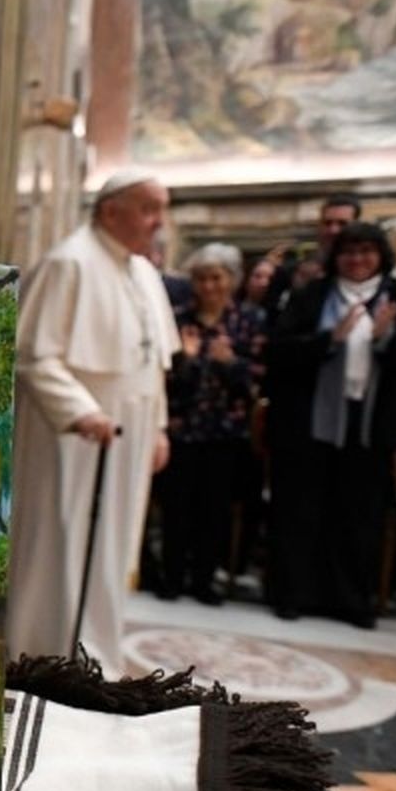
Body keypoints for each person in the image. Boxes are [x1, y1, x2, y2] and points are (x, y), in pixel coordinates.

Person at [7, 169, 178, 678]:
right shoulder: (68, 262)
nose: (159, 222)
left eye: (162, 209)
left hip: (130, 433)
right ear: (110, 211)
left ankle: (96, 651)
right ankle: (43, 651)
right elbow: (34, 355)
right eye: (149, 209)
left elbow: (154, 364)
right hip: (73, 436)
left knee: (114, 546)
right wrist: (80, 411)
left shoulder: (143, 272)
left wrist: (159, 427)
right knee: (65, 541)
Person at [264, 222, 396, 628]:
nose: (357, 260)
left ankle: (351, 599)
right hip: (310, 422)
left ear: (381, 256)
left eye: (366, 252)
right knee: (301, 510)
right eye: (348, 252)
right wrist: (329, 340)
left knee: (359, 515)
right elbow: (278, 353)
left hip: (371, 425)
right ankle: (293, 593)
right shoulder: (312, 295)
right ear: (336, 257)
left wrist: (387, 339)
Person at [158, 244, 265, 604]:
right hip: (183, 427)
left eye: (216, 278)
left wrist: (230, 363)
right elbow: (164, 378)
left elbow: (257, 379)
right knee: (177, 506)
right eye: (201, 278)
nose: (209, 286)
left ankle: (204, 579)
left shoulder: (248, 321)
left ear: (231, 280)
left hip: (225, 431)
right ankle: (172, 576)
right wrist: (186, 361)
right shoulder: (178, 318)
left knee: (214, 509)